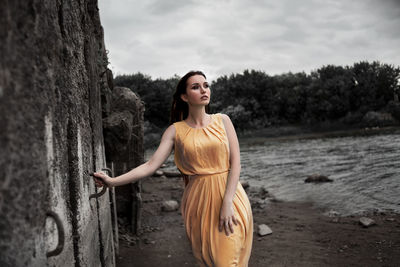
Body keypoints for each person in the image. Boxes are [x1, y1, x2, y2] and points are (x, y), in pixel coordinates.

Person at [93, 70, 253, 266]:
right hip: (199, 200)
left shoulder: (224, 120)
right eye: (195, 87)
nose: (203, 90)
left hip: (231, 197)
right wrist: (112, 182)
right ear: (184, 97)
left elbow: (235, 163)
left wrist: (227, 202)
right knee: (211, 260)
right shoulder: (175, 131)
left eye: (206, 85)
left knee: (228, 261)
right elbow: (150, 165)